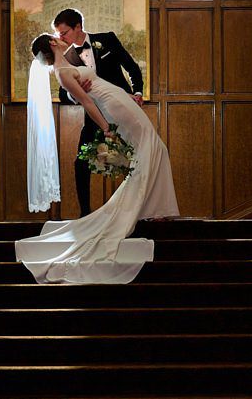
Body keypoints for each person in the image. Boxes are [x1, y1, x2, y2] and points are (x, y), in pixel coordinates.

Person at [15, 33, 179, 285]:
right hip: (112, 104)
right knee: (151, 148)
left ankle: (153, 208)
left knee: (154, 149)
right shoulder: (62, 72)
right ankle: (146, 208)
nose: (60, 37)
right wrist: (106, 128)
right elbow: (86, 101)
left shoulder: (68, 63)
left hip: (120, 98)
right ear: (51, 44)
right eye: (55, 36)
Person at [53, 8, 144, 217]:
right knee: (81, 163)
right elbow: (62, 94)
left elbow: (132, 68)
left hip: (122, 111)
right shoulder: (65, 57)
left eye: (64, 32)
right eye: (58, 34)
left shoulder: (107, 40)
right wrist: (77, 94)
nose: (61, 38)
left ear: (78, 27)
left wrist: (137, 93)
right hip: (95, 117)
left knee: (135, 160)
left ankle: (137, 212)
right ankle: (85, 214)